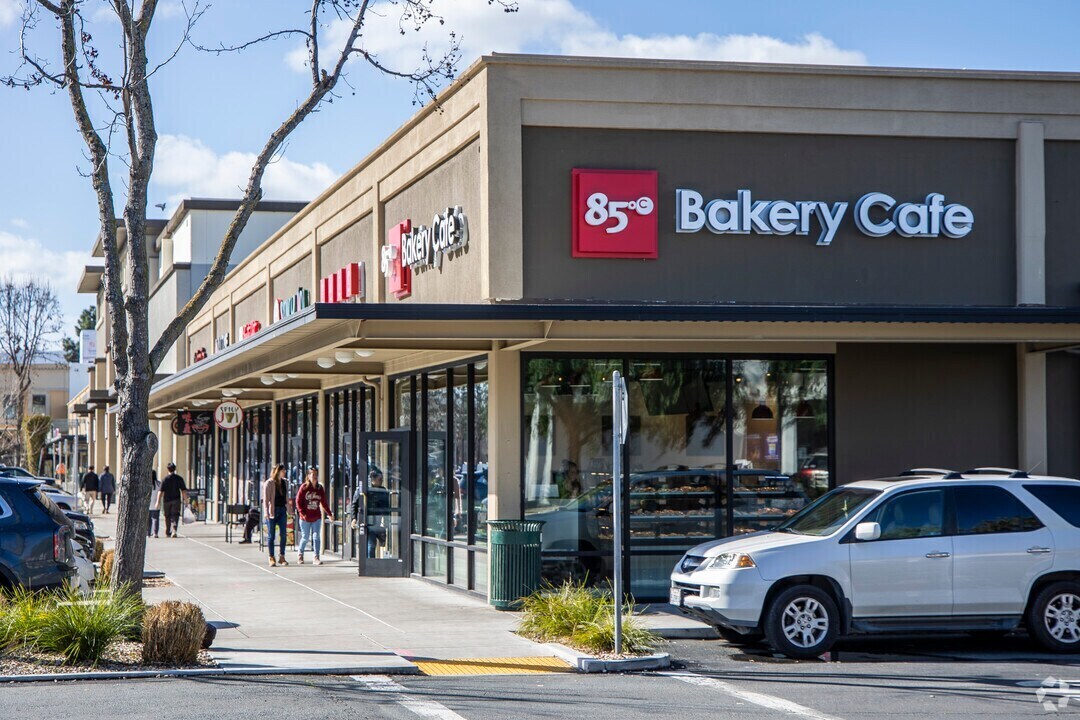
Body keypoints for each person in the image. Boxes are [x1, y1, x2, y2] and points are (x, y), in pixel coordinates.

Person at [295, 468, 333, 565]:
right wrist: (303, 513)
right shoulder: (304, 488)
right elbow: (298, 502)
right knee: (305, 537)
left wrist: (329, 514)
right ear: (308, 476)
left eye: (316, 474)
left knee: (316, 537)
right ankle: (300, 554)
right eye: (312, 474)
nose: (314, 476)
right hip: (305, 518)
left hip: (316, 516)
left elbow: (323, 502)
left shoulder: (319, 488)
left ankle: (316, 557)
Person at [354, 469, 391, 559]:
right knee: (371, 542)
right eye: (379, 479)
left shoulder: (383, 491)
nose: (381, 481)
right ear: (373, 480)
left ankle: (371, 561)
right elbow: (354, 504)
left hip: (377, 519)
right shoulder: (364, 490)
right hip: (367, 519)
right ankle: (370, 562)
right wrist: (354, 518)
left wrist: (386, 521)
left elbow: (386, 508)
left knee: (377, 541)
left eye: (382, 479)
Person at [262, 464, 290, 567]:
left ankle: (282, 556)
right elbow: (266, 500)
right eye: (283, 470)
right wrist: (266, 512)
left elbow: (286, 498)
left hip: (282, 510)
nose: (285, 472)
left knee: (283, 534)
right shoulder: (268, 483)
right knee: (271, 535)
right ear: (278, 471)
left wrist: (290, 510)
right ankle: (271, 557)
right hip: (272, 511)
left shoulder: (285, 482)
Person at [160, 462, 188, 538]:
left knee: (167, 516)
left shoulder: (165, 479)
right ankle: (174, 530)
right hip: (176, 500)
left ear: (167, 469)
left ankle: (168, 531)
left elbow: (161, 491)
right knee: (175, 515)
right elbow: (183, 491)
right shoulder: (179, 479)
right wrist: (186, 501)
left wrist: (158, 501)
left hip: (167, 500)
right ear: (175, 469)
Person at [147, 469, 160, 538]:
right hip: (156, 504)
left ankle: (148, 533)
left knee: (148, 520)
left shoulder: (146, 483)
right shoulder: (158, 484)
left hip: (148, 504)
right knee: (155, 519)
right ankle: (155, 533)